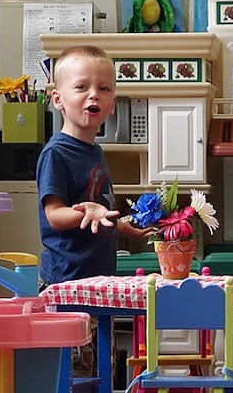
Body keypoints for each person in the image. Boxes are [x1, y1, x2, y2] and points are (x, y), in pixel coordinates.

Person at [37, 44, 150, 288]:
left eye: (104, 88)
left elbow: (98, 210)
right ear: (58, 99)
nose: (94, 94)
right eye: (81, 87)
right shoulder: (57, 153)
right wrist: (86, 211)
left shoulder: (94, 151)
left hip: (97, 277)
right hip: (66, 279)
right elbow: (54, 215)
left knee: (97, 328)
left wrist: (121, 225)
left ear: (112, 104)